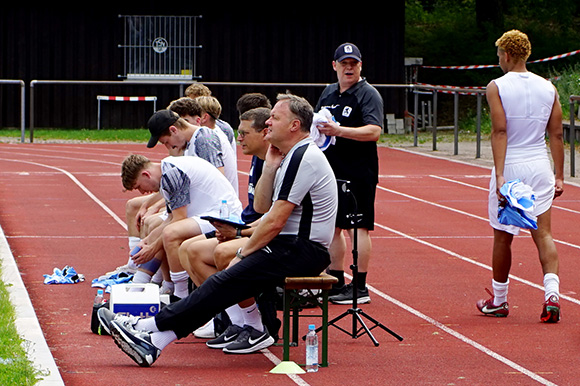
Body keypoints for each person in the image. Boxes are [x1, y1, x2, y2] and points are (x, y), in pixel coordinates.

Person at [99, 93, 337, 367]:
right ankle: (155, 341)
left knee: (224, 280)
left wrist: (243, 251)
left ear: (294, 125)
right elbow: (263, 209)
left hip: (302, 250)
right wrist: (269, 169)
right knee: (221, 282)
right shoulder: (286, 157)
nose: (268, 122)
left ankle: (148, 325)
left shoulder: (303, 157)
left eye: (275, 117)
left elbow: (275, 222)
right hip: (289, 245)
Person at [476, 30, 564, 323]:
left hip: (512, 164)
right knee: (544, 234)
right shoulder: (548, 87)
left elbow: (500, 130)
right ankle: (552, 294)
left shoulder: (496, 86)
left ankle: (499, 300)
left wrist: (500, 175)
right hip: (540, 165)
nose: (499, 59)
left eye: (500, 54)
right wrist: (560, 175)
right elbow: (556, 134)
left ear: (508, 55)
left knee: (503, 237)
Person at [119, 153, 243, 298]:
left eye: (139, 186)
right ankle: (140, 284)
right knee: (160, 229)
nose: (142, 192)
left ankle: (180, 295)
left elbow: (178, 220)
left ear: (146, 174)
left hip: (223, 216)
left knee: (170, 234)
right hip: (207, 214)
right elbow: (170, 217)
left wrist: (152, 248)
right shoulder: (166, 173)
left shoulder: (172, 173)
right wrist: (147, 241)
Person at [315, 42, 383, 304]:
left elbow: (374, 131)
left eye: (353, 64)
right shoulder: (328, 93)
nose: (348, 68)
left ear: (360, 66)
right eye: (344, 64)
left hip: (358, 171)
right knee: (332, 227)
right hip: (330, 170)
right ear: (335, 66)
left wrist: (339, 131)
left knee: (358, 228)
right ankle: (336, 280)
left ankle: (360, 286)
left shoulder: (368, 94)